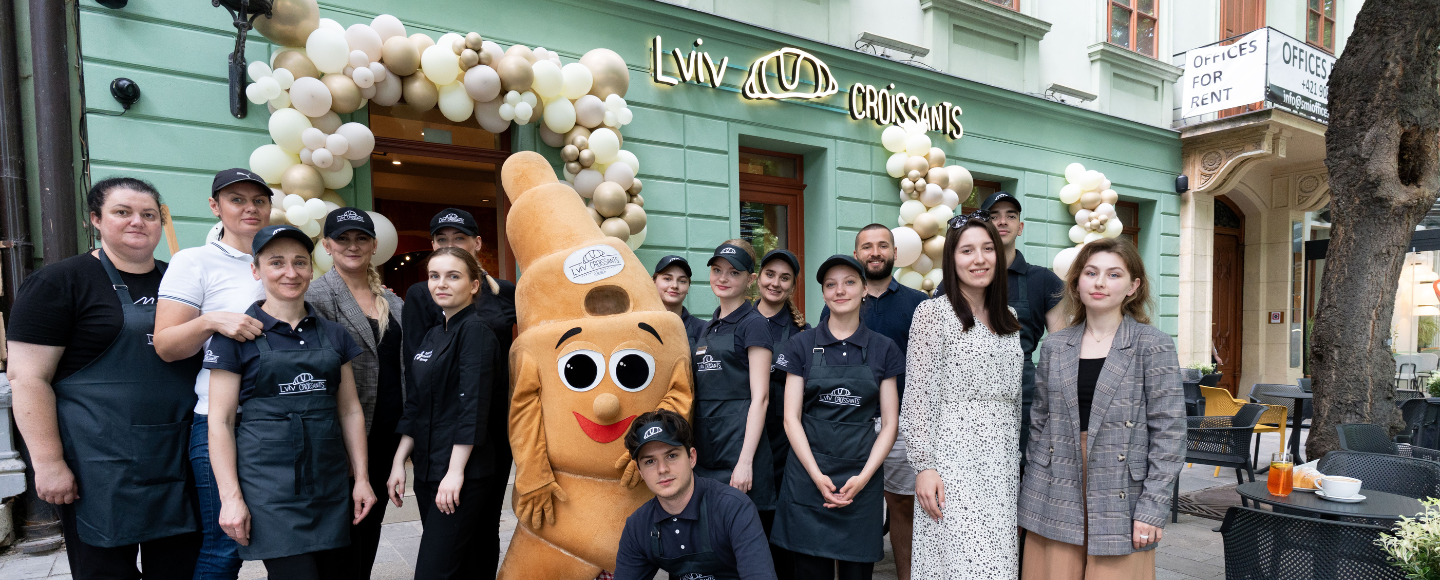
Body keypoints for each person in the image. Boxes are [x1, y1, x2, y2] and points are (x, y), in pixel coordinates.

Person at [8, 178, 202, 579]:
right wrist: (48, 463)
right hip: (99, 463)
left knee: (183, 568)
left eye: (149, 214)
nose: (138, 222)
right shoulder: (59, 282)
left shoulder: (181, 280)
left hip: (179, 455)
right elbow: (26, 377)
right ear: (95, 219)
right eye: (122, 212)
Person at [205, 225, 374, 578]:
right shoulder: (238, 336)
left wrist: (361, 478)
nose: (290, 272)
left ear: (312, 270)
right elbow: (219, 422)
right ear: (256, 269)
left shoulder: (334, 333)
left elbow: (350, 410)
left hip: (329, 485)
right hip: (268, 489)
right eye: (276, 262)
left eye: (300, 262)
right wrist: (231, 497)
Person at [1018, 238, 1185, 580]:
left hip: (1121, 486)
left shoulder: (1151, 345)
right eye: (1091, 273)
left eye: (1113, 274)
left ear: (1132, 286)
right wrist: (1034, 481)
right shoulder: (1055, 346)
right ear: (1077, 282)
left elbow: (1169, 433)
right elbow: (1040, 422)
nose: (1099, 282)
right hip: (1056, 482)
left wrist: (1152, 507)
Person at [153, 168, 272, 579]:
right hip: (221, 420)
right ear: (214, 206)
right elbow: (166, 346)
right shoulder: (193, 261)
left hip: (277, 418)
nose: (250, 208)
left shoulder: (279, 257)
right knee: (225, 543)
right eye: (236, 199)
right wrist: (212, 322)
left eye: (258, 200)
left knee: (283, 538)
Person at [902, 212, 1023, 579]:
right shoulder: (931, 314)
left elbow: (1014, 400)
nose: (979, 259)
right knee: (957, 563)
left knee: (998, 566)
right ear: (952, 260)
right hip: (951, 462)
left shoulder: (1010, 317)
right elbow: (918, 397)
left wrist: (1014, 459)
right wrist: (924, 466)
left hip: (1000, 464)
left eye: (988, 249)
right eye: (967, 251)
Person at [401, 207, 516, 576]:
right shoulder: (434, 326)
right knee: (448, 551)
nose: (442, 283)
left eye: (453, 275)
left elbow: (474, 399)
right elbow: (418, 389)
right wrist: (400, 458)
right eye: (435, 275)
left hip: (477, 445)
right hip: (436, 447)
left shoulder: (482, 322)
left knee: (469, 543)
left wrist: (456, 469)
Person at [772, 255, 903, 580]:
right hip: (808, 479)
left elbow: (890, 424)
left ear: (863, 290)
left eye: (849, 282)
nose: (839, 290)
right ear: (824, 293)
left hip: (861, 478)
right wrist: (816, 476)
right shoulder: (801, 345)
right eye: (831, 284)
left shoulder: (883, 349)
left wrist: (864, 477)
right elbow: (791, 418)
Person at [306, 208, 406, 579]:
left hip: (387, 433)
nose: (353, 246)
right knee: (344, 533)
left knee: (370, 526)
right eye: (343, 239)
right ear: (327, 245)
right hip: (346, 435)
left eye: (361, 238)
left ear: (374, 245)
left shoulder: (392, 301)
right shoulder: (317, 296)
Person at [839, 224, 928, 580]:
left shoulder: (919, 305)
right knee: (847, 502)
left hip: (903, 423)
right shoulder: (840, 303)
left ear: (894, 252)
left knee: (903, 505)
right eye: (866, 247)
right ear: (857, 254)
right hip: (850, 423)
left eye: (882, 246)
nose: (875, 252)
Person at [614, 410, 778, 580]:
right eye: (650, 461)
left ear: (692, 458)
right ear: (640, 471)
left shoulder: (733, 508)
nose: (662, 469)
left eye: (671, 456)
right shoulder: (638, 526)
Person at [693, 240, 776, 512]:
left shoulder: (754, 324)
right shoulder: (708, 327)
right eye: (717, 270)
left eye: (734, 272)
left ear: (751, 279)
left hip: (738, 452)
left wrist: (745, 462)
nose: (723, 278)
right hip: (707, 452)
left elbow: (761, 398)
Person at [754, 249, 809, 577]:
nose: (775, 282)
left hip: (786, 444)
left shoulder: (804, 334)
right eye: (770, 274)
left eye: (784, 278)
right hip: (745, 440)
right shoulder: (738, 323)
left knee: (784, 534)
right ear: (758, 278)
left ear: (792, 286)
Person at [653, 254, 708, 347]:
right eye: (667, 279)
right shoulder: (640, 323)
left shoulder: (703, 329)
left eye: (682, 281)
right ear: (653, 282)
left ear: (688, 287)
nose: (674, 285)